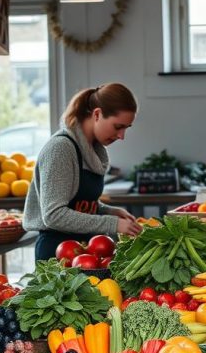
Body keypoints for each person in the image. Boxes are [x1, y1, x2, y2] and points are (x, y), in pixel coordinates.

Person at [24, 83, 143, 260]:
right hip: (58, 255)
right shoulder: (60, 149)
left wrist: (107, 211)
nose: (121, 136)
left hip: (87, 252)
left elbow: (78, 203)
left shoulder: (91, 150)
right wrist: (112, 224)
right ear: (97, 114)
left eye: (126, 128)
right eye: (118, 127)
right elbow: (54, 215)